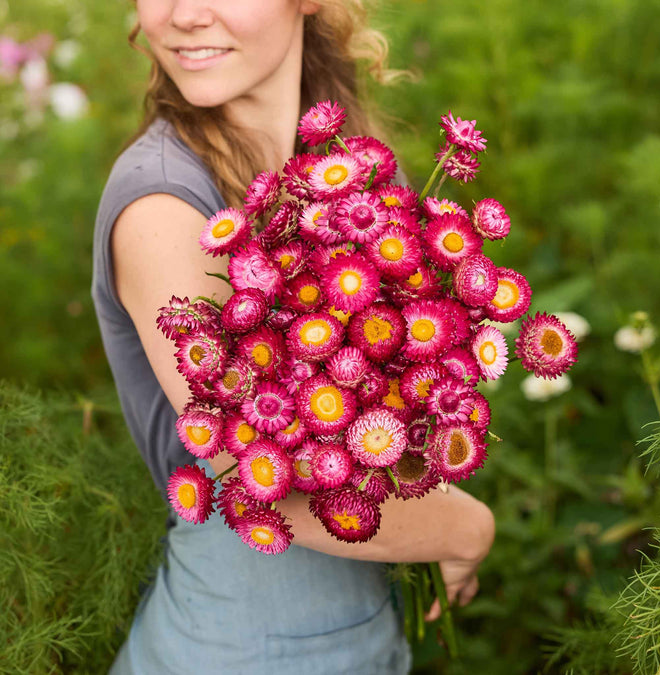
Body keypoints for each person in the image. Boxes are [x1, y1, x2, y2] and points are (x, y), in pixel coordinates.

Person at [91, 1, 496, 673]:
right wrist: (463, 527)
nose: (185, 14)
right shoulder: (161, 207)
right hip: (237, 647)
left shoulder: (342, 167)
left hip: (358, 633)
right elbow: (265, 484)